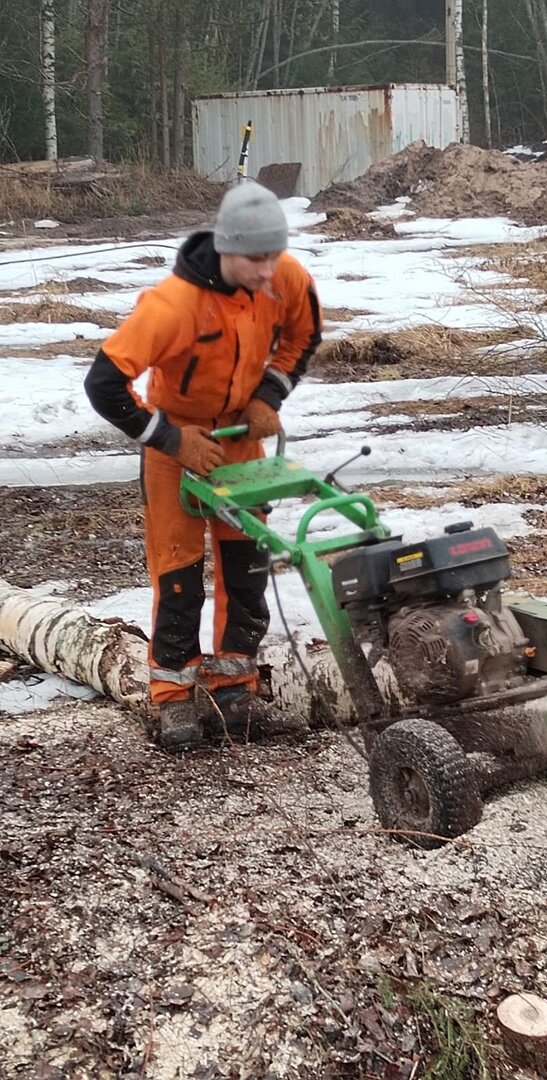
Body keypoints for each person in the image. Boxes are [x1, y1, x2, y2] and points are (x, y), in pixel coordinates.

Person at [85, 183, 322, 751]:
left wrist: (269, 394)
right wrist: (167, 437)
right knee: (179, 572)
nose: (270, 272)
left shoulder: (283, 277)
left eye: (274, 257)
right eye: (257, 260)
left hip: (240, 438)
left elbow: (304, 335)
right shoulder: (173, 306)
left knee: (246, 565)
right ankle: (173, 696)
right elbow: (104, 383)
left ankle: (234, 684)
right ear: (226, 248)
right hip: (178, 445)